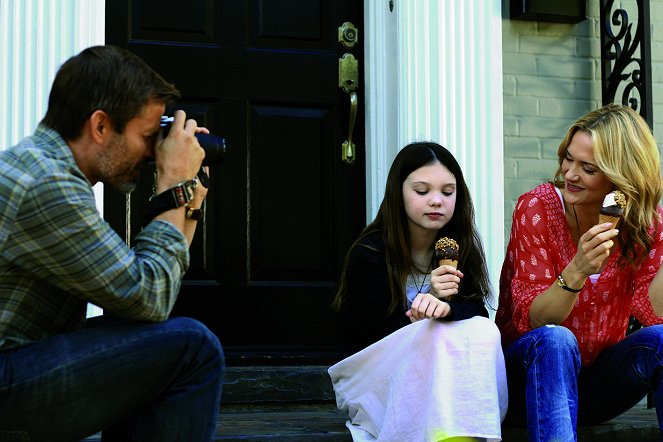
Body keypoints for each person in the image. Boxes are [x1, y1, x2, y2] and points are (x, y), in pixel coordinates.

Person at [0, 45, 224, 441]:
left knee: (148, 338)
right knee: (193, 347)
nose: (152, 152)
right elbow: (151, 296)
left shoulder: (43, 165)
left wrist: (189, 197)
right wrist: (173, 186)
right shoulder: (49, 184)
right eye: (147, 136)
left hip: (14, 367)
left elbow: (146, 303)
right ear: (101, 126)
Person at [496, 103, 663, 441]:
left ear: (621, 177)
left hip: (598, 384)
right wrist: (577, 270)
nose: (570, 173)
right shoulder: (537, 208)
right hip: (529, 382)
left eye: (587, 168)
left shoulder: (645, 221)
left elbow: (653, 311)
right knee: (556, 340)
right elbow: (536, 320)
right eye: (568, 158)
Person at [328, 142, 508, 441]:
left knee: (483, 330)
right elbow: (381, 335)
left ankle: (464, 434)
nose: (436, 201)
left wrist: (446, 307)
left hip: (437, 375)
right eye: (422, 191)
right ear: (398, 194)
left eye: (447, 192)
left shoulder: (457, 245)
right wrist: (427, 307)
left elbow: (476, 308)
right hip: (374, 374)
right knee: (434, 333)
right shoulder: (370, 252)